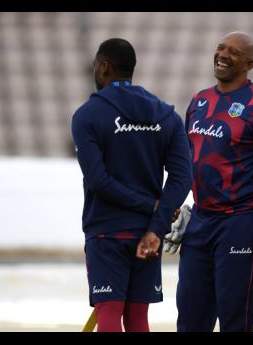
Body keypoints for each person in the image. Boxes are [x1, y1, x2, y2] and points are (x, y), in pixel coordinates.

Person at [71, 38, 191, 332]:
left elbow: (98, 181)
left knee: (109, 314)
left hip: (107, 232)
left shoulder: (87, 116)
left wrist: (151, 207)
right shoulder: (167, 116)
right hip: (149, 233)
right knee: (138, 318)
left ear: (103, 67)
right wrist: (157, 224)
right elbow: (182, 178)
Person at [173, 31, 253, 332]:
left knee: (235, 319)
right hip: (200, 221)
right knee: (190, 317)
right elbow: (188, 161)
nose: (223, 55)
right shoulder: (199, 102)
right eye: (221, 48)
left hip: (241, 223)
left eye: (234, 52)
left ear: (250, 63)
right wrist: (176, 207)